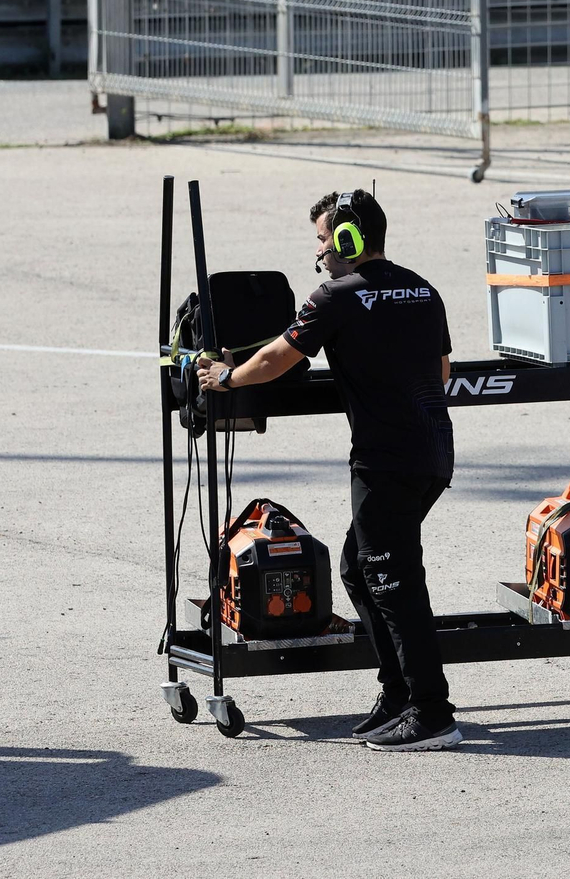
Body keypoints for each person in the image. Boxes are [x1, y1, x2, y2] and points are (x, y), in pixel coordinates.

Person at [197, 189, 461, 753]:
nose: (319, 252)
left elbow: (277, 359)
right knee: (360, 568)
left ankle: (434, 713)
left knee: (393, 580)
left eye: (323, 239)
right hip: (433, 453)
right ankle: (398, 695)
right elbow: (441, 370)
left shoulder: (335, 295)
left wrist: (226, 378)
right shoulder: (424, 288)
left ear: (349, 240)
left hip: (385, 460)